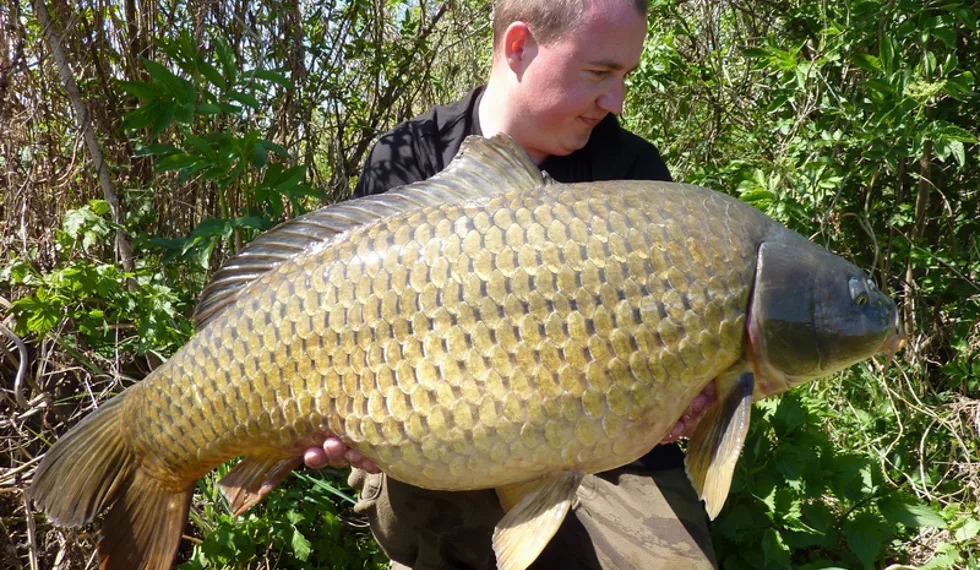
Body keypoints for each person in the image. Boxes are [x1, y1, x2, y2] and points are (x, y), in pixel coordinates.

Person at [301, 0, 719, 568]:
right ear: (519, 46)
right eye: (599, 73)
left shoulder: (633, 173)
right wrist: (349, 419)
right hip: (445, 433)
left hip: (606, 449)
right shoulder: (412, 157)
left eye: (624, 77)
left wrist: (688, 394)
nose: (616, 101)